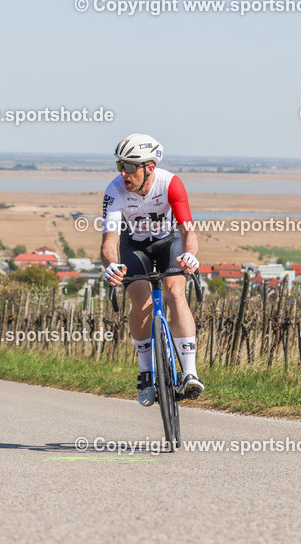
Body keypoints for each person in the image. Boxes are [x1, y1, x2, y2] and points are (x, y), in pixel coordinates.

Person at [100, 133, 203, 406]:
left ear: (150, 168)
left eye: (131, 166)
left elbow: (188, 230)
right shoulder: (114, 190)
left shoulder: (171, 184)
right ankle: (146, 372)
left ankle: (189, 372)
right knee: (141, 301)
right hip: (132, 244)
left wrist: (190, 256)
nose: (124, 173)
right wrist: (111, 265)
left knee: (175, 293)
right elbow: (109, 242)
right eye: (121, 166)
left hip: (167, 241)